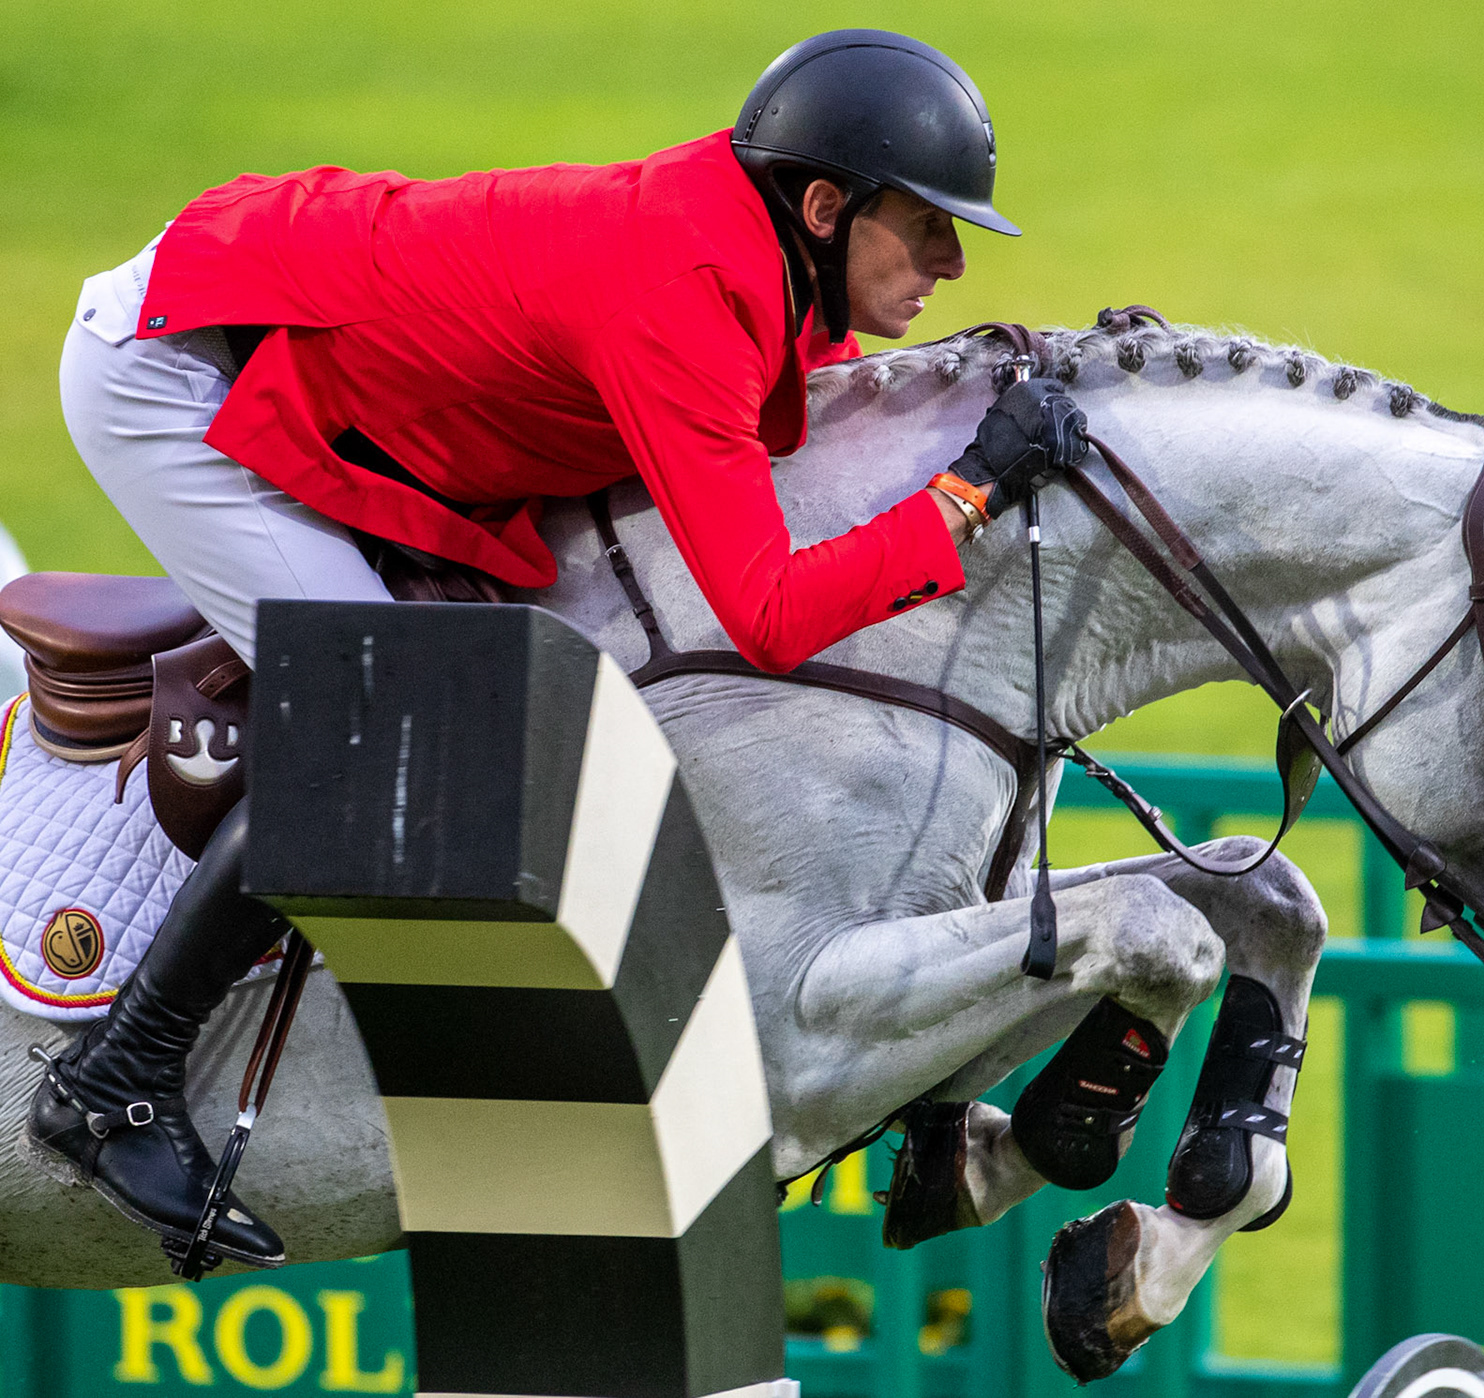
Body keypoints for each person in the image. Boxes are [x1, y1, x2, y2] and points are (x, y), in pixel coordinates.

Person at [30, 28, 1089, 1270]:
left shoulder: (763, 257)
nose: (953, 263)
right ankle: (119, 1081)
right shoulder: (688, 295)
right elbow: (768, 610)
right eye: (928, 227)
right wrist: (967, 492)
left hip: (322, 351)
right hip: (172, 377)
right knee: (391, 718)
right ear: (822, 205)